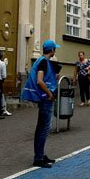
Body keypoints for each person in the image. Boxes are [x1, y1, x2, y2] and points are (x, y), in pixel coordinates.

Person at [23, 40, 60, 168]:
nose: (55, 51)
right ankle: (38, 158)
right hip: (45, 98)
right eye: (55, 49)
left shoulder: (42, 61)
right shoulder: (44, 62)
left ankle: (40, 154)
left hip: (44, 97)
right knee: (44, 128)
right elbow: (40, 81)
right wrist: (50, 94)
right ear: (52, 50)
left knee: (41, 128)